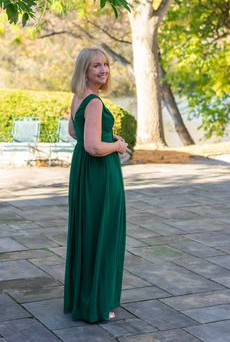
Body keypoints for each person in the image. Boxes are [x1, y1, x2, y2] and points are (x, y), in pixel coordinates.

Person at [63, 47, 128, 323]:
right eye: (95, 66)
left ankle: (85, 297)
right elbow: (92, 146)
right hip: (100, 174)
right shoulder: (95, 102)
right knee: (103, 232)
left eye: (105, 64)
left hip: (83, 173)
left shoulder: (79, 97)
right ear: (84, 71)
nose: (103, 70)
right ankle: (98, 304)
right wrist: (117, 145)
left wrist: (103, 134)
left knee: (88, 231)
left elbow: (73, 132)